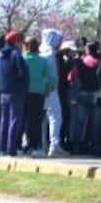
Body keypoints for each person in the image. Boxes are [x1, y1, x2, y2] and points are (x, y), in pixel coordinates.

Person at [0, 32, 29, 157]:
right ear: (17, 41)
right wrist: (24, 87)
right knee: (14, 121)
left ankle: (2, 148)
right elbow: (22, 73)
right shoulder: (16, 54)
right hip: (16, 92)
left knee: (4, 121)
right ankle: (11, 149)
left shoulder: (0, 54)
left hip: (3, 92)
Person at [39, 28, 68, 157]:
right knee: (56, 117)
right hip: (50, 89)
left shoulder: (41, 51)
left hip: (42, 89)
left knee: (44, 119)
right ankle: (54, 145)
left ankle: (43, 144)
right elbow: (50, 74)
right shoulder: (49, 54)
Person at [22, 36, 51, 157]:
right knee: (36, 120)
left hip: (25, 92)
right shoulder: (43, 61)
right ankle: (35, 145)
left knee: (25, 119)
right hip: (39, 93)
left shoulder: (23, 59)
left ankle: (25, 144)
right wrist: (47, 90)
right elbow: (51, 78)